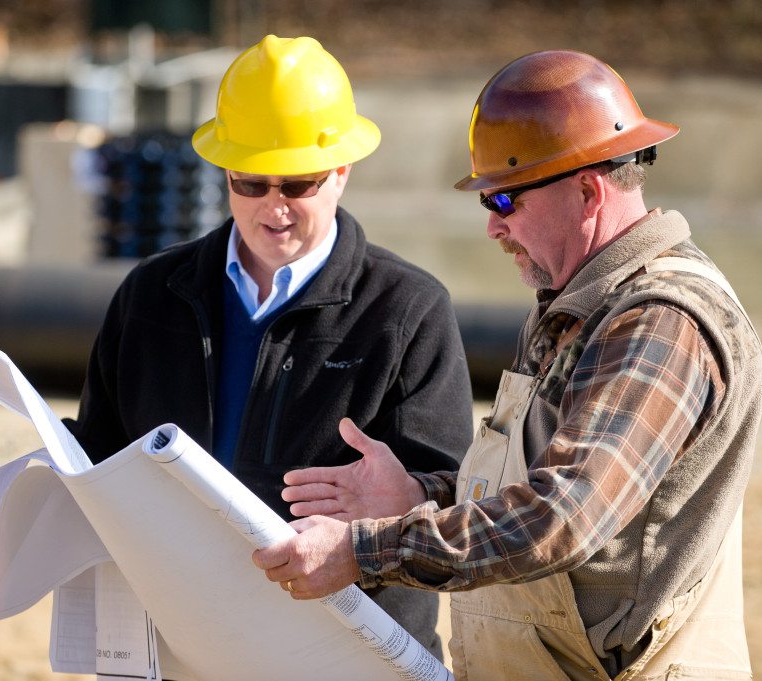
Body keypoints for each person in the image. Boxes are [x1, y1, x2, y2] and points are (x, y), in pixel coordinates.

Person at [253, 49, 762, 681]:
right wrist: (421, 497)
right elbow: (528, 483)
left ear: (585, 189)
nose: (493, 228)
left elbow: (563, 516)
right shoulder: (573, 302)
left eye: (504, 202)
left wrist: (365, 551)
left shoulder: (662, 322)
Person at [64, 34, 474, 660]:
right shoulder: (151, 295)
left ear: (341, 171)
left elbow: (459, 500)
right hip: (177, 639)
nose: (273, 208)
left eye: (297, 185)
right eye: (250, 183)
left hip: (341, 649)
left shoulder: (408, 310)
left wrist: (414, 499)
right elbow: (103, 447)